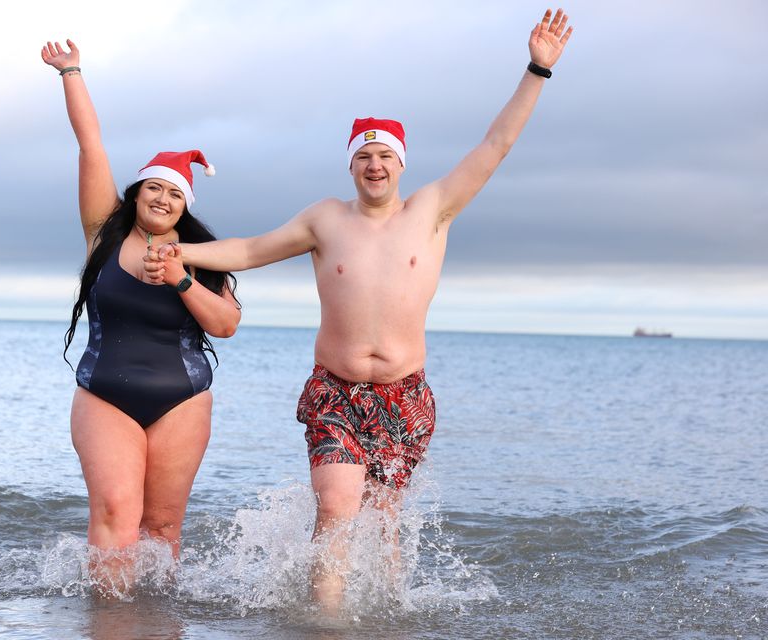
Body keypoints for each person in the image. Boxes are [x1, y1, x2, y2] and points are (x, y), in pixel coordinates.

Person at [144, 9, 574, 610]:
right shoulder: (326, 219)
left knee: (384, 522)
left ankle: (386, 617)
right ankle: (327, 620)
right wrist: (181, 249)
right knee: (337, 507)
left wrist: (537, 69)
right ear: (351, 164)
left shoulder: (432, 210)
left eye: (386, 157)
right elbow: (249, 249)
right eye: (364, 156)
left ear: (402, 164)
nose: (375, 165)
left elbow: (496, 145)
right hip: (336, 391)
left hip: (405, 394)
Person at [41, 39, 242, 596]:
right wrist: (71, 72)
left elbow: (225, 325)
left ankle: (157, 623)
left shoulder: (202, 257)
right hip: (104, 393)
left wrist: (179, 278)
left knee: (161, 527)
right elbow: (91, 146)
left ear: (185, 206)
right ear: (137, 194)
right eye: (153, 186)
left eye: (174, 193)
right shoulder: (103, 233)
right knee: (114, 512)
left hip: (182, 398)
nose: (162, 198)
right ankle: (109, 621)